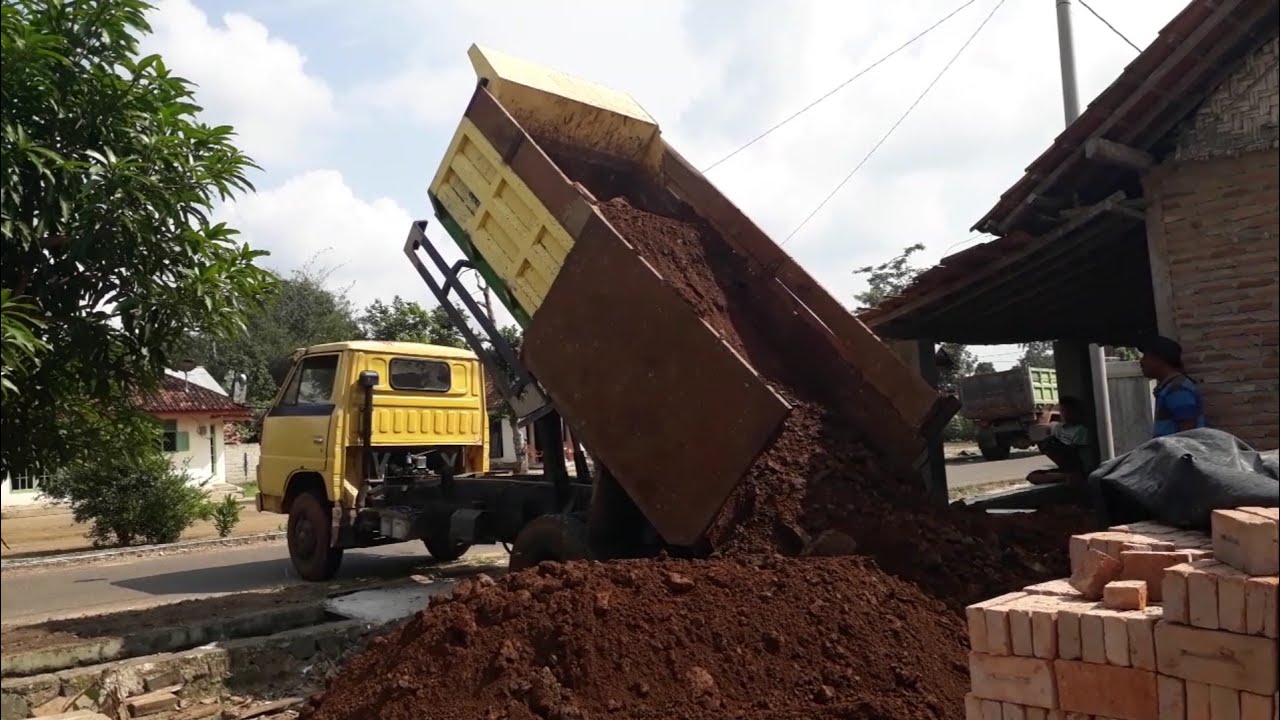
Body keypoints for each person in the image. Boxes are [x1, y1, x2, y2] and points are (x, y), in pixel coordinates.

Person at [1139, 335, 1207, 437]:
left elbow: (1189, 434)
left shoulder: (1177, 389)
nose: (1141, 362)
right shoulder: (1170, 387)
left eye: (1146, 357)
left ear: (1159, 360)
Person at [1026, 395, 1094, 485]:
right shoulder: (1057, 427)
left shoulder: (1081, 431)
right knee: (1032, 476)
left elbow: (1084, 456)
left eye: (1069, 411)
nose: (1065, 414)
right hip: (1064, 468)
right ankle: (1064, 476)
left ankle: (1070, 476)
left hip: (1074, 465)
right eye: (1062, 411)